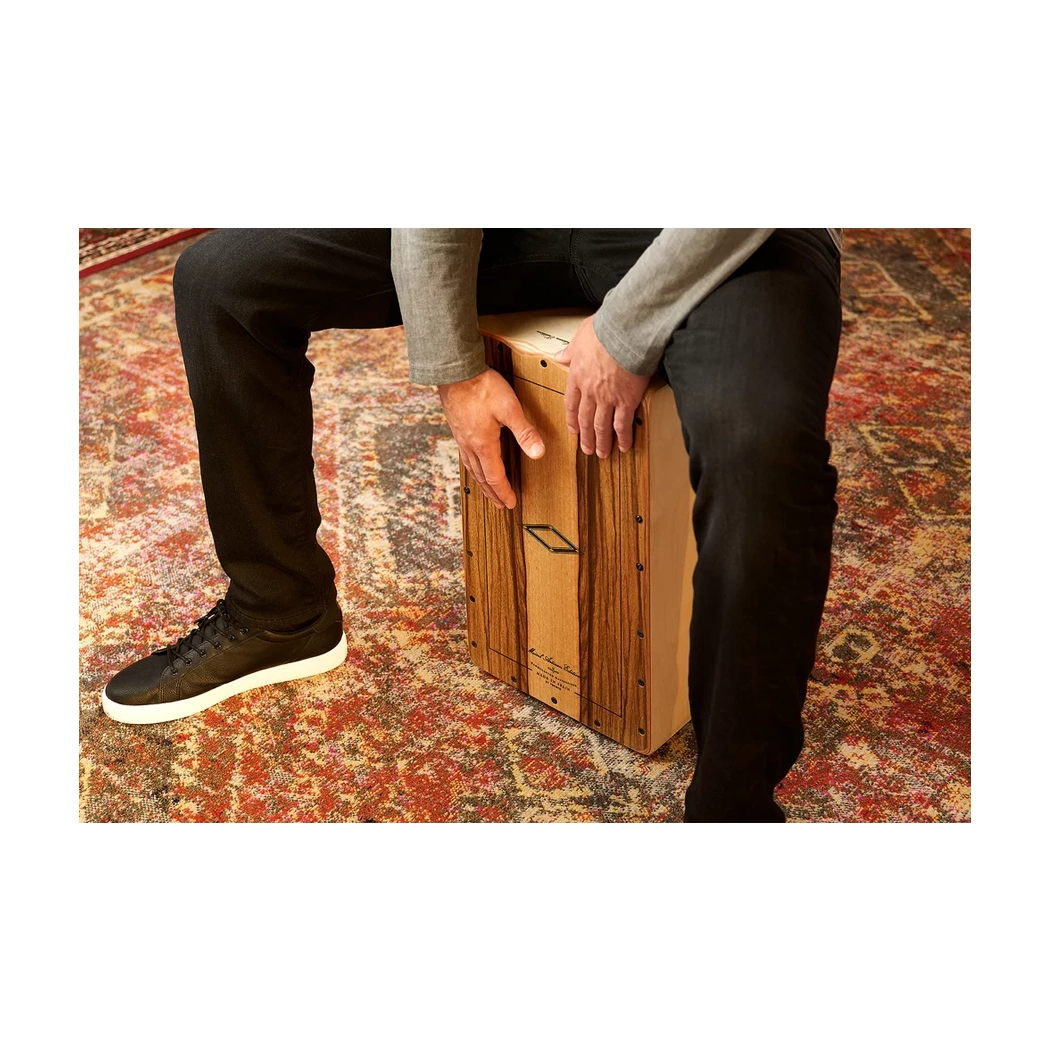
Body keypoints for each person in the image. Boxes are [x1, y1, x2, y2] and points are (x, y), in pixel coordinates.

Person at [101, 228, 843, 822]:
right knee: (222, 280)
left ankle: (732, 809)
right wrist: (454, 366)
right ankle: (278, 613)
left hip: (726, 238)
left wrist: (624, 330)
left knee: (762, 451)